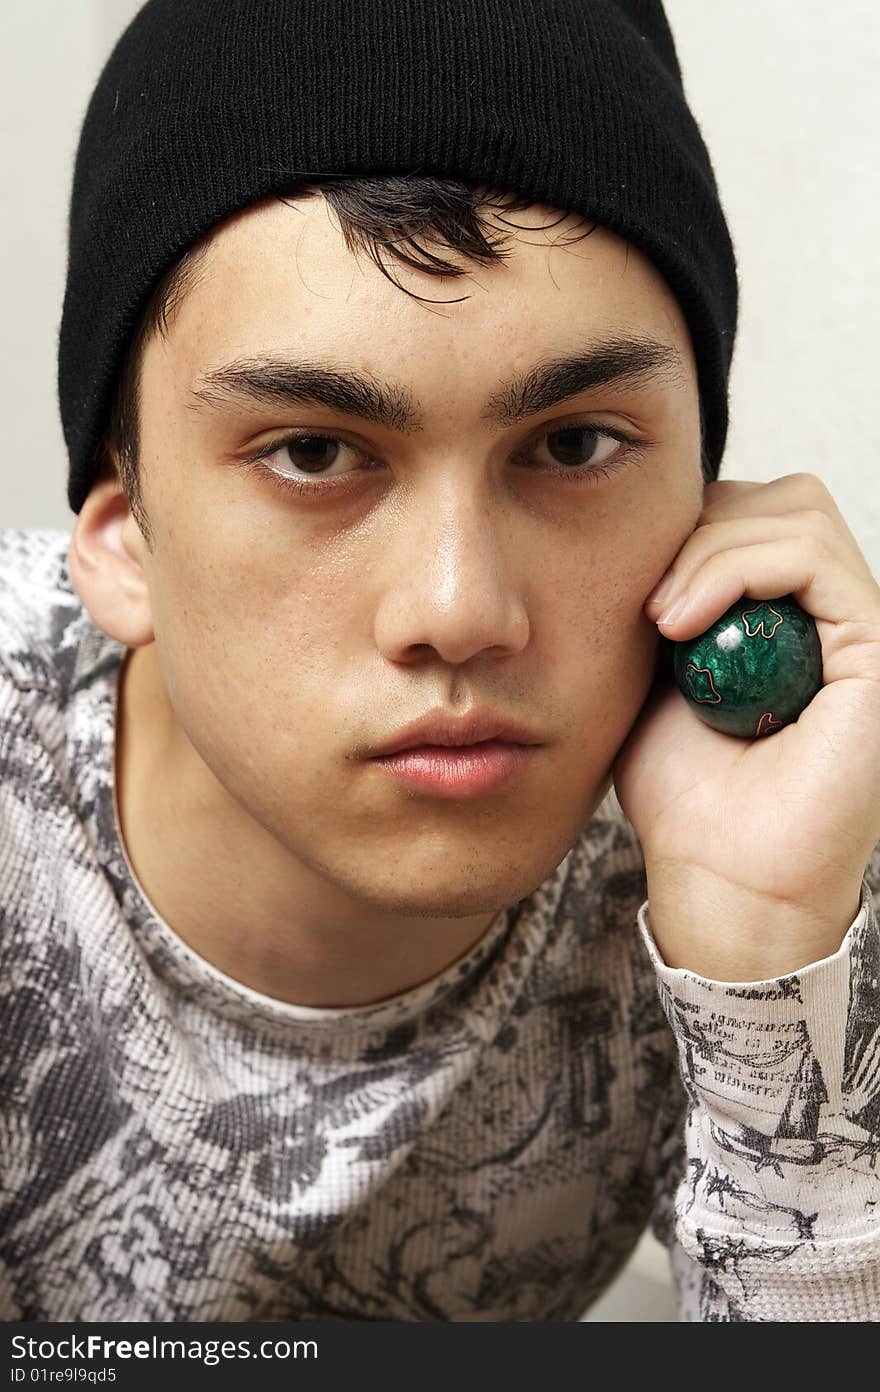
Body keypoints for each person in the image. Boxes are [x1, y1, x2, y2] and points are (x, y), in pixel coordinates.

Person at [1, 0, 878, 1323]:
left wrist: (767, 959)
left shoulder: (772, 829)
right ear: (123, 545)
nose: (461, 611)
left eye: (574, 447)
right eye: (312, 452)